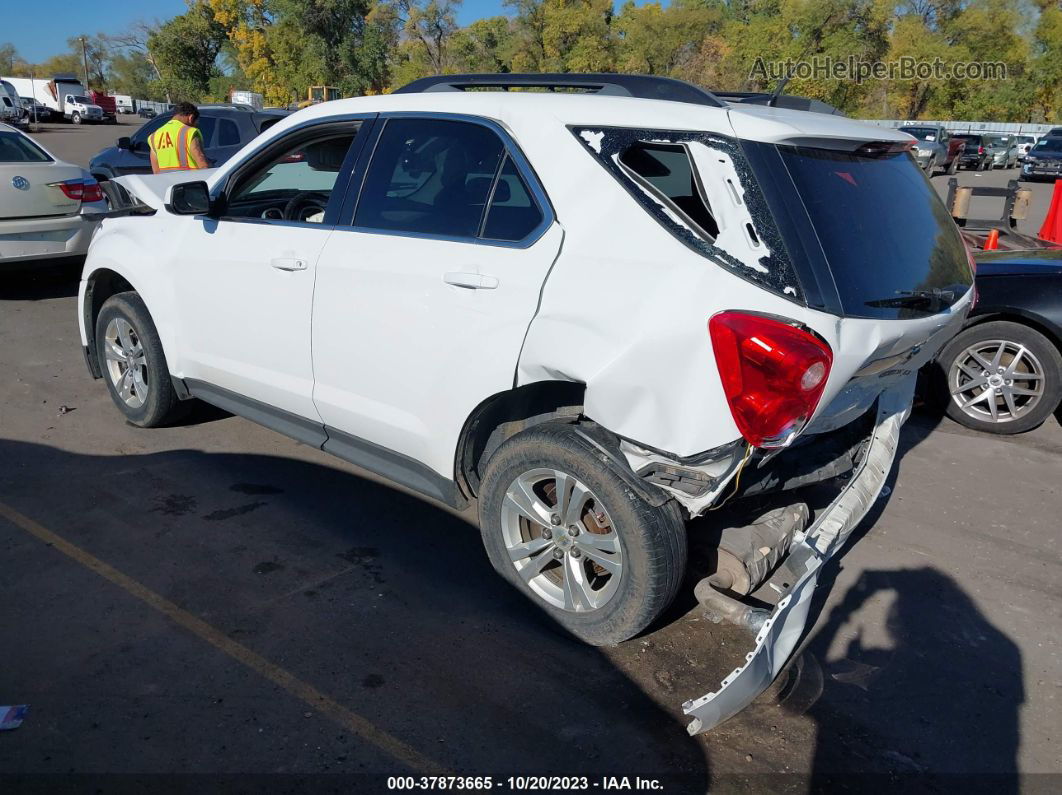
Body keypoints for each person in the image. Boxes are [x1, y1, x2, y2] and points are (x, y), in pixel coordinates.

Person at [149, 102, 208, 173]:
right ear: (191, 118)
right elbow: (202, 164)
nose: (195, 125)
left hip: (167, 183)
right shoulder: (189, 132)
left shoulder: (154, 136)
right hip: (191, 182)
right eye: (195, 123)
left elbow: (156, 171)